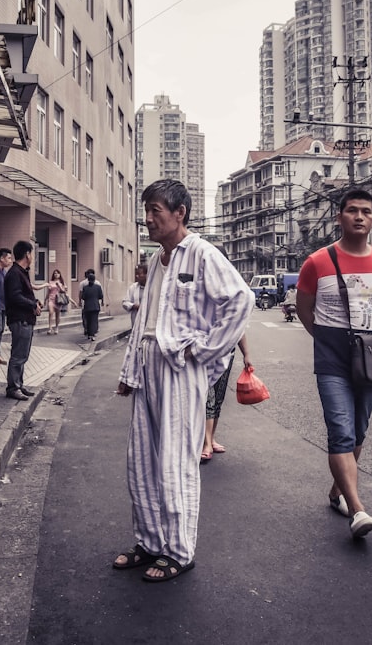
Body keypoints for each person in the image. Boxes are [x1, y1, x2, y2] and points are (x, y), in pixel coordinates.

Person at [113, 179, 254, 582]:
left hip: (180, 368)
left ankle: (178, 551)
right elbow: (144, 319)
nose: (149, 218)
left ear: (180, 213)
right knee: (140, 461)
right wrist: (129, 371)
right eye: (147, 209)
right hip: (147, 366)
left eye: (156, 209)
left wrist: (204, 351)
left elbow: (241, 301)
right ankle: (149, 541)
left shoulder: (203, 254)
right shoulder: (158, 260)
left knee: (175, 460)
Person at [294, 188, 372, 539]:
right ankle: (357, 509)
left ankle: (337, 490)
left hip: (370, 358)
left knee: (359, 432)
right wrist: (323, 339)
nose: (359, 216)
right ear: (340, 217)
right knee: (341, 430)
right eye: (352, 210)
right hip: (332, 357)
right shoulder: (318, 261)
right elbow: (304, 307)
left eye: (366, 211)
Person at [201, 334, 251, 463]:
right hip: (205, 354)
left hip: (227, 354)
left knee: (218, 397)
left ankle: (211, 439)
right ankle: (206, 444)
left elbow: (239, 330)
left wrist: (246, 354)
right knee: (208, 399)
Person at [3, 240, 42, 401]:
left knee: (22, 355)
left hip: (25, 319)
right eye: (32, 253)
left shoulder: (21, 272)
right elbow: (15, 296)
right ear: (27, 254)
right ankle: (13, 387)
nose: (33, 257)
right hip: (20, 320)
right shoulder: (14, 273)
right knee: (18, 355)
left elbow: (23, 295)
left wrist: (35, 303)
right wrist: (32, 304)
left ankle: (18, 384)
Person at [44, 269, 69, 335]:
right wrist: (45, 299)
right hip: (51, 299)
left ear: (60, 274)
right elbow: (48, 292)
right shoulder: (51, 282)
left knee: (57, 314)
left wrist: (59, 286)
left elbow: (64, 291)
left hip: (58, 300)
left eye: (57, 273)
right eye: (55, 273)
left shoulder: (62, 283)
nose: (56, 274)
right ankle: (50, 328)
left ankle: (57, 327)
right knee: (50, 312)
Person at [80, 271, 103, 341]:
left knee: (88, 320)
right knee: (94, 320)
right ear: (94, 279)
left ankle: (89, 334)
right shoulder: (98, 287)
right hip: (95, 306)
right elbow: (100, 296)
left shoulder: (85, 288)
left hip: (87, 306)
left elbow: (83, 297)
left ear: (88, 279)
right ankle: (93, 335)